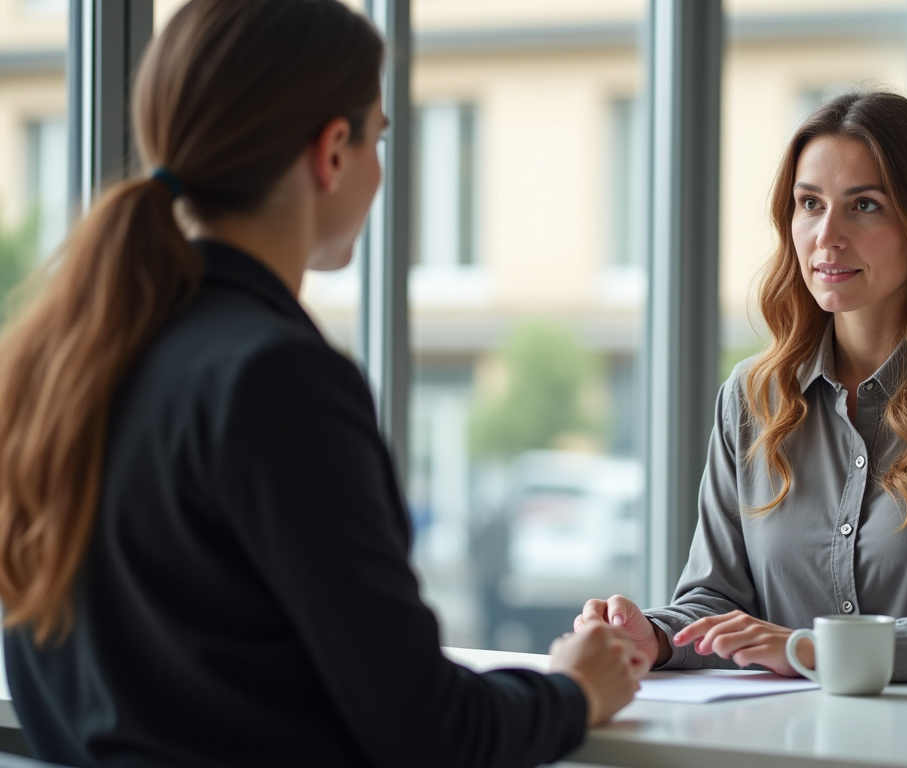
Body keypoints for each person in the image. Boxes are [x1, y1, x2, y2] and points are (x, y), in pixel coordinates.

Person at [0, 2, 645, 766]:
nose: (379, 170)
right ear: (332, 152)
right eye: (378, 138)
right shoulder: (276, 379)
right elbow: (427, 729)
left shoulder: (60, 364)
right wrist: (575, 689)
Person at [577, 90, 907, 688]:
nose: (827, 236)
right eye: (810, 203)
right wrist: (651, 635)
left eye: (865, 206)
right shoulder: (752, 397)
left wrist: (812, 649)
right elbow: (715, 600)